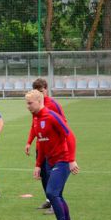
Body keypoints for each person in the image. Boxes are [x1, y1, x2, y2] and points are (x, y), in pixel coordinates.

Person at [24, 89, 79, 220]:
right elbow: (41, 142)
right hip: (49, 162)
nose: (27, 106)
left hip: (63, 160)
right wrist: (38, 165)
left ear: (39, 101)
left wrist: (71, 160)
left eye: (29, 103)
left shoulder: (52, 116)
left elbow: (70, 136)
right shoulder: (35, 118)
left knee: (51, 192)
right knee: (58, 195)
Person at [25, 78, 72, 212]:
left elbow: (64, 126)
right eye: (37, 91)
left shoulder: (54, 105)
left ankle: (56, 201)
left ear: (46, 89)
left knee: (54, 174)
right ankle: (49, 200)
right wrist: (29, 142)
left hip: (55, 148)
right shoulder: (34, 107)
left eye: (42, 91)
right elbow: (34, 126)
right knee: (44, 174)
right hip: (42, 146)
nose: (41, 93)